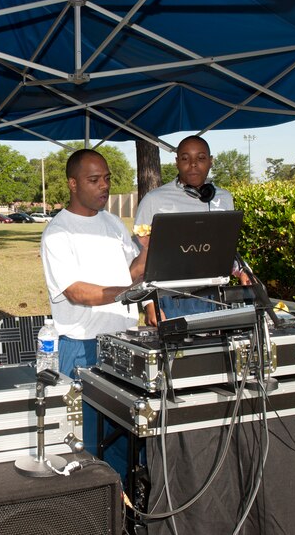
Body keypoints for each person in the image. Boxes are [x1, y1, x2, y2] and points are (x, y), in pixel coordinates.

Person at [40, 149, 146, 474]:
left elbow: (130, 273)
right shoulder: (58, 233)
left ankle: (132, 509)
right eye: (94, 179)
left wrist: (155, 251)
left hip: (124, 344)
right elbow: (76, 292)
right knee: (89, 445)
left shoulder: (113, 222)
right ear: (73, 183)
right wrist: (128, 293)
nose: (104, 186)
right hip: (84, 350)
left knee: (128, 437)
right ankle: (98, 512)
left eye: (107, 179)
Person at [134, 135, 250, 325]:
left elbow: (224, 248)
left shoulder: (224, 198)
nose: (193, 164)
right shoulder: (154, 200)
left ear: (211, 161)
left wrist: (241, 271)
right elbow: (140, 259)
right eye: (186, 158)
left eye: (201, 158)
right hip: (169, 301)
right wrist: (149, 304)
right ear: (177, 162)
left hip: (214, 298)